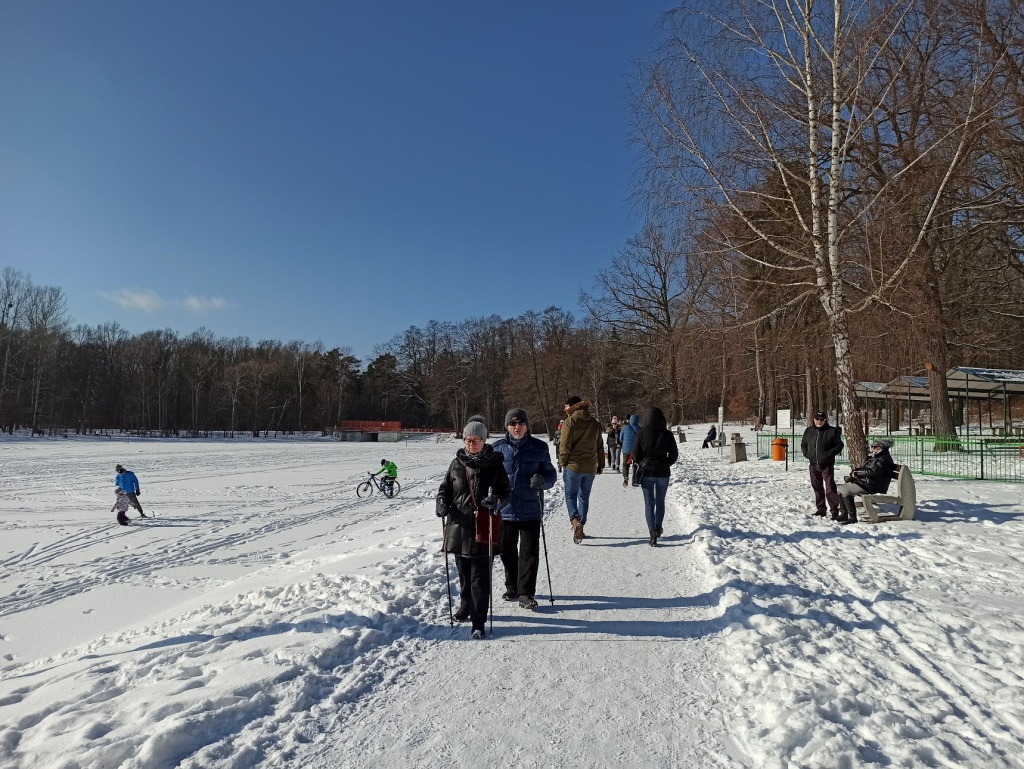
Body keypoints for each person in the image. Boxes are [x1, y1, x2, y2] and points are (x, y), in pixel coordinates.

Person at [436, 417, 511, 639]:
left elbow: (506, 493)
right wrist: (442, 503)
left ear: (484, 440)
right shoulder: (456, 464)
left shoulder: (495, 464)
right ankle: (465, 605)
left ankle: (478, 621)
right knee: (463, 573)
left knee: (480, 576)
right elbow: (445, 489)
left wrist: (496, 501)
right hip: (459, 526)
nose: (470, 444)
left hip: (483, 527)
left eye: (475, 440)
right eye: (468, 440)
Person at [492, 408, 557, 610]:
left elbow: (551, 474)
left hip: (531, 508)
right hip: (506, 509)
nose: (517, 427)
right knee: (506, 550)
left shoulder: (539, 447)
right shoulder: (497, 449)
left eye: (520, 423)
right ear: (507, 427)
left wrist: (543, 480)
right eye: (513, 424)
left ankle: (526, 592)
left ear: (527, 426)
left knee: (529, 553)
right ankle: (512, 585)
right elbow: (490, 478)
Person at [558, 396, 604, 544]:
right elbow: (599, 445)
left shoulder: (570, 421)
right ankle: (581, 526)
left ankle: (575, 521)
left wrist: (562, 462)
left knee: (570, 496)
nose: (565, 409)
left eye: (566, 406)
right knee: (584, 497)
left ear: (572, 407)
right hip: (590, 466)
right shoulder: (595, 423)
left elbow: (564, 445)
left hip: (574, 466)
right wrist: (600, 464)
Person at [630, 406, 679, 546]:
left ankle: (652, 532)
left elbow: (636, 453)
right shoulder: (667, 434)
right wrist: (666, 463)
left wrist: (642, 463)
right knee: (660, 501)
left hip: (647, 473)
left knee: (649, 502)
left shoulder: (641, 433)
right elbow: (674, 454)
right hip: (663, 472)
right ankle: (658, 527)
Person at [835, 438, 896, 525]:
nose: (872, 448)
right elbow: (869, 469)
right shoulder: (877, 457)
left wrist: (858, 473)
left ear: (881, 448)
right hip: (869, 482)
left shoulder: (884, 459)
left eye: (874, 447)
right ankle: (844, 514)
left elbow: (873, 471)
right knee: (840, 488)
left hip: (874, 485)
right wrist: (856, 472)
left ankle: (852, 517)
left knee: (844, 489)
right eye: (872, 446)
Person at [800, 411, 845, 519]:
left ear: (825, 420)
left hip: (827, 465)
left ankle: (834, 511)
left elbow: (839, 445)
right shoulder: (809, 431)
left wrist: (829, 454)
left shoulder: (832, 431)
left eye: (821, 420)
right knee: (817, 488)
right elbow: (804, 444)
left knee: (830, 488)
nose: (819, 421)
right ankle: (821, 509)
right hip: (813, 464)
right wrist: (807, 454)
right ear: (814, 419)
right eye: (817, 419)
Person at [619, 414, 640, 487]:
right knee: (636, 465)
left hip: (626, 449)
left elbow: (620, 438)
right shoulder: (639, 429)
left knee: (625, 464)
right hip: (636, 450)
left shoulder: (625, 428)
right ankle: (635, 480)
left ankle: (625, 477)